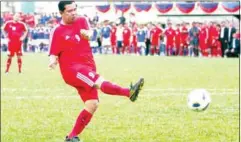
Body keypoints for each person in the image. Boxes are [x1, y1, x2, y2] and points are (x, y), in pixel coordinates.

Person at [48, 1, 144, 142]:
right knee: (97, 81)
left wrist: (89, 34)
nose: (74, 12)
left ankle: (71, 137)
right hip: (72, 69)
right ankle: (128, 92)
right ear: (61, 13)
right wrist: (52, 61)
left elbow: (89, 33)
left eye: (75, 9)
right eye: (69, 11)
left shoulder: (82, 20)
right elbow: (53, 52)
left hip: (87, 66)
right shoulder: (57, 31)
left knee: (92, 104)